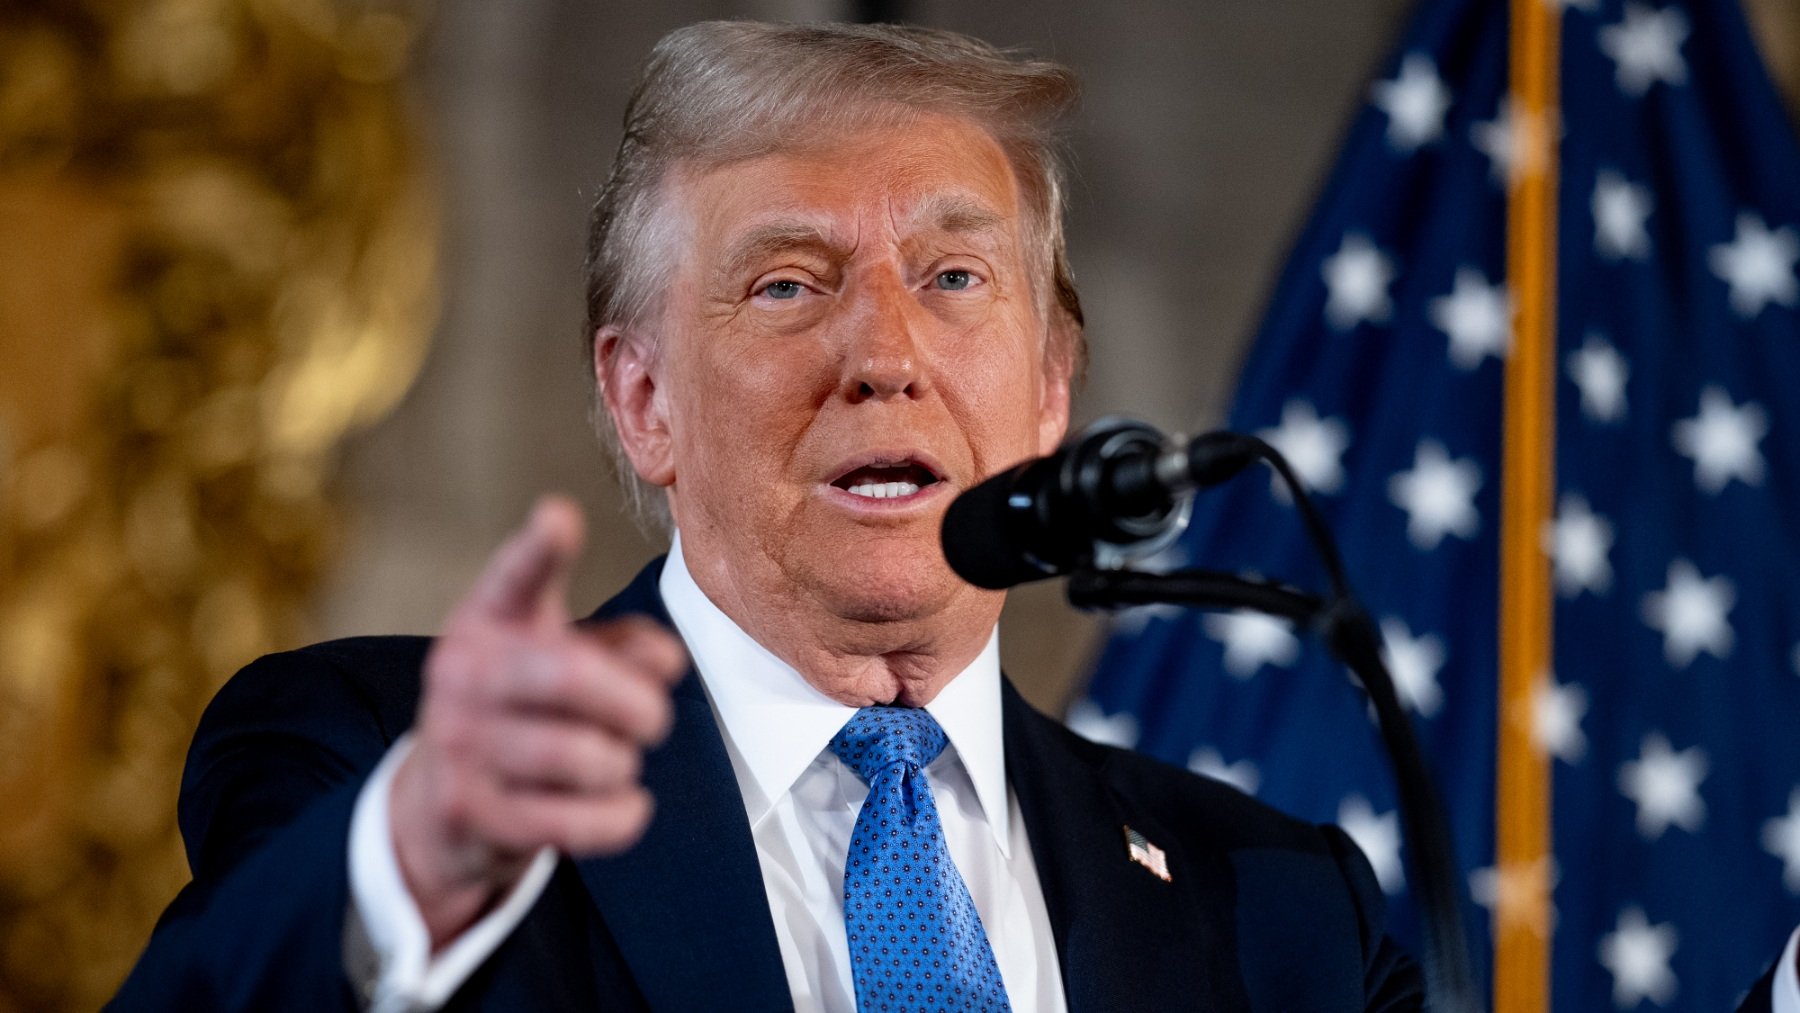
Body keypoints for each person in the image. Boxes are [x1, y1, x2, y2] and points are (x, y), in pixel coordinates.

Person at [112, 19, 1487, 1012]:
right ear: (642, 396)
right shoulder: (376, 763)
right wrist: (403, 865)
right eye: (786, 283)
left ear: (1055, 387)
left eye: (954, 275)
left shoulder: (1278, 908)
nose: (885, 352)